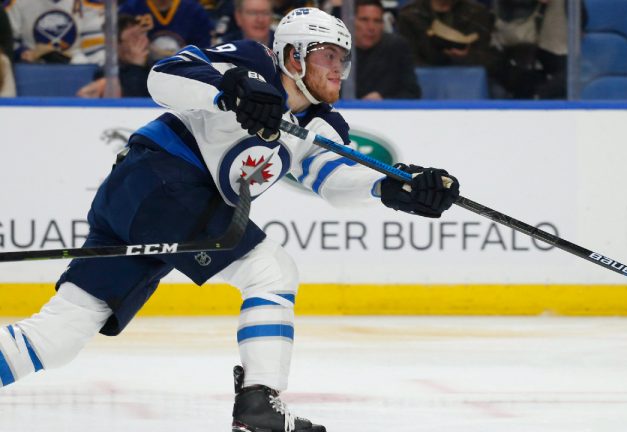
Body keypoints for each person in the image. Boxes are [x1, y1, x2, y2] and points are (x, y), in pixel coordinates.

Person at [0, 7, 460, 432]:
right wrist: (231, 89)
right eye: (328, 55)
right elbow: (165, 76)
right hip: (160, 180)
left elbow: (334, 177)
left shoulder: (322, 125)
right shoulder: (250, 59)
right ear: (293, 57)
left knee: (62, 332)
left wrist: (394, 188)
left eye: (344, 57)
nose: (339, 68)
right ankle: (260, 400)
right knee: (270, 270)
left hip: (148, 200)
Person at [396, 0, 496, 71]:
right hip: (424, 80)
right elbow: (407, 60)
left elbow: (489, 57)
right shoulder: (409, 16)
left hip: (468, 78)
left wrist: (466, 57)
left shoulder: (477, 13)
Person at [354, 0, 421, 99]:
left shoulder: (397, 48)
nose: (371, 27)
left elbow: (412, 93)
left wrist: (384, 99)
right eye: (364, 20)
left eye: (377, 21)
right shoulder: (335, 51)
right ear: (350, 21)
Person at [76, 14, 153, 98]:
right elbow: (132, 103)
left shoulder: (158, 67)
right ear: (116, 45)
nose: (142, 41)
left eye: (142, 34)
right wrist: (136, 67)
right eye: (134, 37)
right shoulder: (107, 73)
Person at [5, 0, 103, 64]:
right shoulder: (15, 2)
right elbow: (7, 43)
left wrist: (67, 60)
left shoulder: (90, 3)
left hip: (78, 73)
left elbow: (97, 53)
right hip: (30, 72)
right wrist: (22, 53)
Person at [119, 0, 213, 63]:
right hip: (141, 71)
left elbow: (204, 51)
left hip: (185, 73)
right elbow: (120, 52)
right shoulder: (130, 9)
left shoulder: (195, 11)